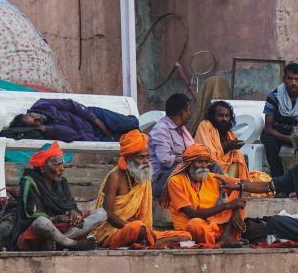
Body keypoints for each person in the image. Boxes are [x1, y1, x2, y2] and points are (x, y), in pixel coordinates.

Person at [93, 130, 192, 249]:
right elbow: (107, 213)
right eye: (141, 157)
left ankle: (148, 242)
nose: (146, 161)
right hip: (114, 232)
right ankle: (150, 242)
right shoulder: (115, 177)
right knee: (137, 229)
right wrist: (135, 227)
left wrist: (141, 228)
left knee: (185, 236)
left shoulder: (144, 178)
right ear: (128, 158)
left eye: (147, 156)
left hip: (140, 230)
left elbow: (139, 216)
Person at [13, 142, 107, 251]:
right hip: (40, 230)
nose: (62, 168)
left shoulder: (61, 182)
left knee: (101, 214)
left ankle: (61, 242)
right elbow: (29, 215)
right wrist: (57, 218)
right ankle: (74, 244)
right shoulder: (29, 182)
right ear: (42, 167)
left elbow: (71, 205)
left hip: (62, 229)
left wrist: (74, 214)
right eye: (56, 164)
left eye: (62, 163)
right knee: (42, 222)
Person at [160, 143, 246, 245]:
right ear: (189, 163)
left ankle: (225, 237)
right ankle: (221, 240)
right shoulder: (175, 181)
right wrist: (227, 206)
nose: (204, 166)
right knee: (195, 224)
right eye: (200, 161)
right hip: (191, 230)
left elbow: (245, 183)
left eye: (206, 162)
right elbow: (192, 214)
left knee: (238, 191)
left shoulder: (211, 177)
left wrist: (237, 209)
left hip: (214, 225)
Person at [150, 93, 223, 200]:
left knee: (216, 167)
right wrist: (191, 159)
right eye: (189, 110)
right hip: (159, 181)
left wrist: (205, 160)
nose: (190, 114)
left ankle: (219, 202)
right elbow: (165, 160)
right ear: (183, 112)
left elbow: (194, 151)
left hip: (182, 169)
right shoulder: (160, 130)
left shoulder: (181, 129)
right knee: (189, 166)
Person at [260, 63, 298, 178]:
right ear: (284, 79)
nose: (294, 82)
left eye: (297, 79)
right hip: (278, 133)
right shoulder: (274, 96)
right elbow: (268, 128)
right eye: (290, 78)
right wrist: (290, 139)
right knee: (269, 140)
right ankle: (278, 180)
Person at [10, 98, 139, 142]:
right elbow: (72, 134)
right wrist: (47, 129)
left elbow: (72, 105)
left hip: (93, 116)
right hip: (93, 137)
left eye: (32, 115)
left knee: (133, 123)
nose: (37, 117)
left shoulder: (42, 105)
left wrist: (98, 122)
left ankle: (126, 124)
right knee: (136, 137)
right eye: (36, 122)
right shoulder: (47, 133)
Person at [194, 101, 247, 179]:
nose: (224, 119)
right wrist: (225, 147)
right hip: (208, 167)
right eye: (220, 115)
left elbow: (230, 155)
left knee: (238, 155)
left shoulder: (229, 132)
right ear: (212, 116)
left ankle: (236, 184)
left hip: (226, 170)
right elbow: (206, 152)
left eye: (227, 116)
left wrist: (233, 147)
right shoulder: (205, 125)